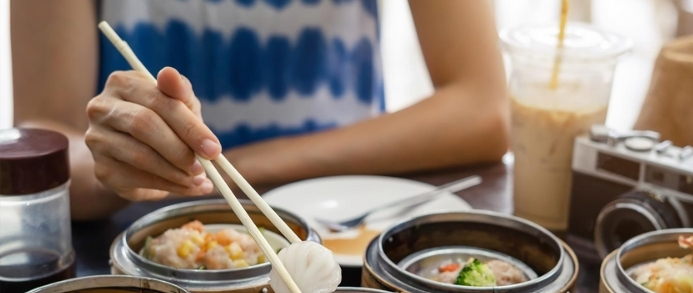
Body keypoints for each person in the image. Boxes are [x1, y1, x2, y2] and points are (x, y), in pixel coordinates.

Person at [11, 0, 509, 221]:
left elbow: (483, 111)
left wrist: (225, 169)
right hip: (141, 235)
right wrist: (119, 164)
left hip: (346, 221)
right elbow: (43, 140)